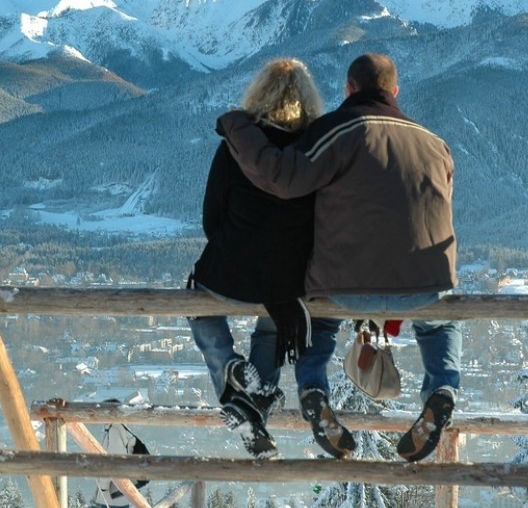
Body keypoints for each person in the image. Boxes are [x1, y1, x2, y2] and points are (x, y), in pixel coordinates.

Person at [215, 52, 461, 463]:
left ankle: (313, 390)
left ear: (349, 88)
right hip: (425, 284)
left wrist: (238, 125)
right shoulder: (435, 144)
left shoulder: (336, 131)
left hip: (344, 284)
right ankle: (442, 390)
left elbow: (284, 177)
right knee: (441, 325)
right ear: (395, 91)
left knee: (320, 320)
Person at [188, 58, 354, 460]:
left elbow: (212, 217)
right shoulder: (314, 150)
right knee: (273, 327)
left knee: (198, 304)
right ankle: (253, 403)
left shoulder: (235, 149)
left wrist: (235, 249)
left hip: (231, 271)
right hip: (290, 279)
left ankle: (230, 369)